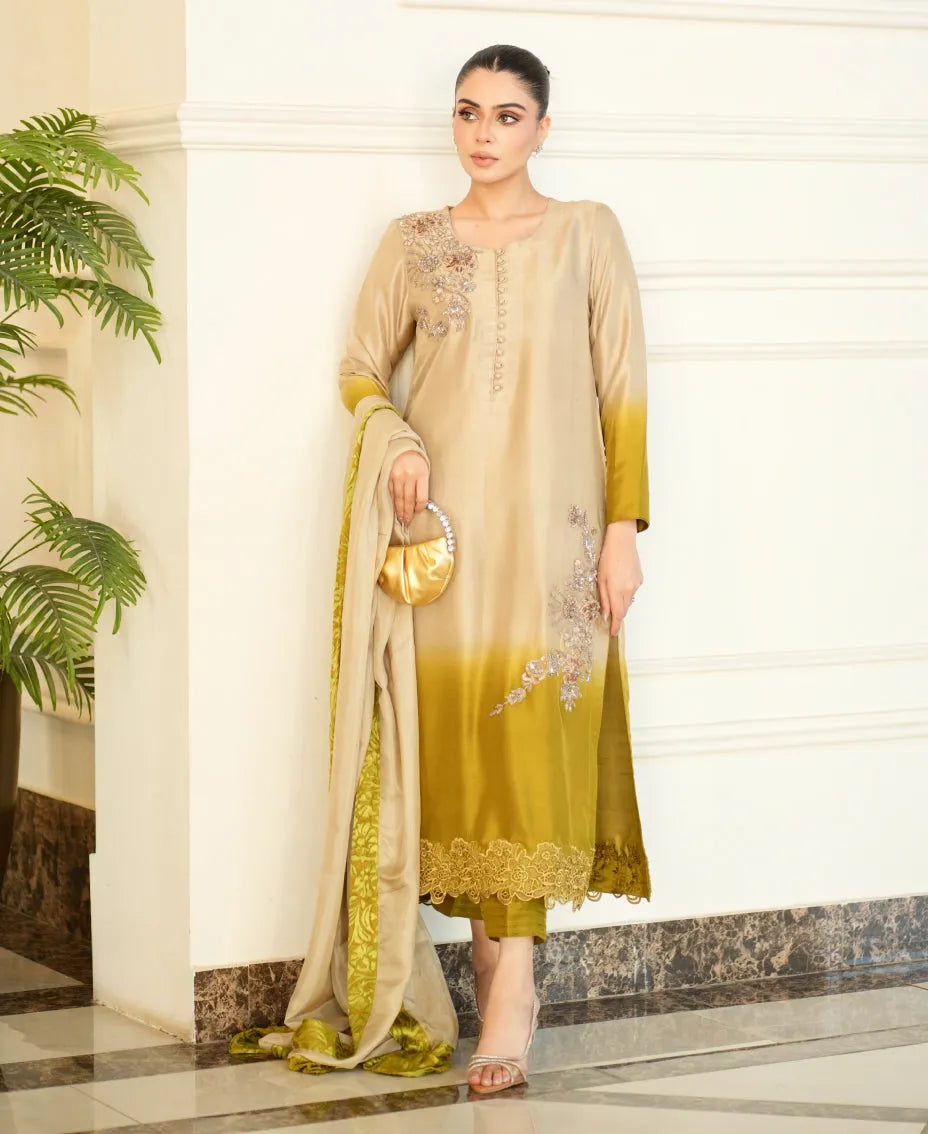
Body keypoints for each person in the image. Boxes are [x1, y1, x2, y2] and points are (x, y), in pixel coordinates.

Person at [338, 43, 652, 1095]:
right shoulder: (413, 244)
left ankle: (508, 984)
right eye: (469, 113)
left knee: (535, 750)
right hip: (450, 546)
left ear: (543, 128)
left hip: (558, 546)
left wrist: (622, 531)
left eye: (508, 116)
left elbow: (623, 390)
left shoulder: (585, 233)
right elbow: (357, 366)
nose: (483, 134)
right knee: (469, 758)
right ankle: (495, 961)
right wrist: (398, 437)